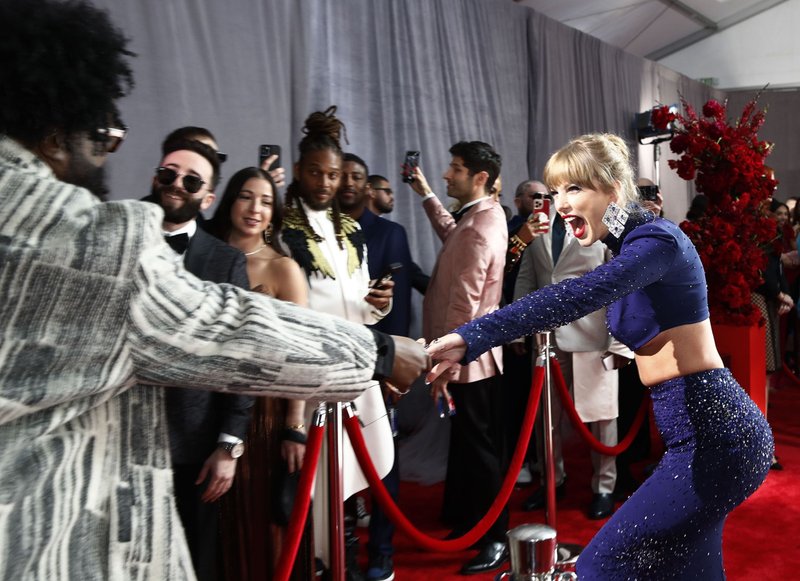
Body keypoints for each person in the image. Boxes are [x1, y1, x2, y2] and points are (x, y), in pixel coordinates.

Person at [0, 2, 430, 579]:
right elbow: (224, 326)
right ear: (55, 136)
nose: (107, 153)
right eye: (103, 136)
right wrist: (378, 352)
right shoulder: (86, 236)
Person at [426, 133, 773, 579]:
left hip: (717, 437)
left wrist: (473, 335)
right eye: (555, 193)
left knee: (601, 564)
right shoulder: (631, 246)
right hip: (696, 437)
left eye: (574, 189)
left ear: (612, 189)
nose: (560, 204)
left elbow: (574, 295)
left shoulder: (659, 240)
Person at [278, 107, 396, 579]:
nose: (325, 183)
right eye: (315, 173)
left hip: (357, 368)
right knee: (321, 488)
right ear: (300, 171)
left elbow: (360, 307)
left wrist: (378, 304)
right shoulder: (284, 232)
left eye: (333, 174)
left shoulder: (350, 232)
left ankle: (341, 553)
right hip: (315, 376)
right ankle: (327, 563)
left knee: (359, 473)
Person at [146, 138, 254, 581]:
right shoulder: (118, 233)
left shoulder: (225, 261)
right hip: (118, 436)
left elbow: (242, 356)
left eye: (191, 181)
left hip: (195, 443)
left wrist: (229, 443)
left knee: (193, 562)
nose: (176, 185)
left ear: (208, 197)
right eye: (169, 174)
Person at [205, 166, 314, 579]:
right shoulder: (201, 255)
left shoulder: (282, 268)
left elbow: (300, 352)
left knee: (263, 523)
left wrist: (293, 427)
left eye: (267, 201)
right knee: (216, 527)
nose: (255, 208)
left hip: (264, 413)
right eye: (247, 197)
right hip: (205, 405)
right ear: (230, 200)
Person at [408, 142, 509, 575]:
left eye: (455, 168)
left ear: (480, 177)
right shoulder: (482, 217)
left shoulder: (479, 226)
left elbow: (464, 306)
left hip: (470, 359)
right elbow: (453, 235)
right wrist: (427, 193)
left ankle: (495, 539)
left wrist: (445, 366)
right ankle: (474, 524)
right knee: (470, 449)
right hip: (473, 355)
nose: (448, 175)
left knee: (481, 451)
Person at [513, 181, 625, 521]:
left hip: (595, 337)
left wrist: (620, 341)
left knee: (603, 417)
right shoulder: (538, 229)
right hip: (547, 339)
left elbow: (623, 282)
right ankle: (552, 480)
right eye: (549, 193)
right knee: (546, 416)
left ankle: (604, 487)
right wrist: (518, 330)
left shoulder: (600, 221)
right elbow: (527, 280)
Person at [339, 153, 416, 581]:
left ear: (367, 185)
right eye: (340, 176)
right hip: (332, 368)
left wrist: (394, 370)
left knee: (384, 463)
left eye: (355, 177)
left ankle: (382, 550)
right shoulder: (320, 231)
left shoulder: (390, 233)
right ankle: (341, 546)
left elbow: (399, 305)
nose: (347, 183)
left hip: (378, 367)